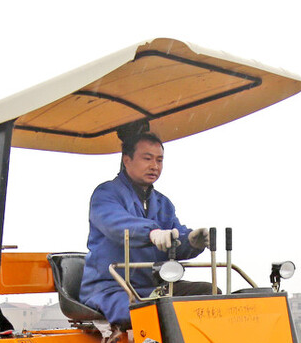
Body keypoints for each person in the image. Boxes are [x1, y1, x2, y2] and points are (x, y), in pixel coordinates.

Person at [79, 129, 209, 331]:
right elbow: (117, 224)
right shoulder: (105, 194)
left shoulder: (163, 203)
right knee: (145, 312)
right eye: (147, 158)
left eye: (159, 160)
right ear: (127, 160)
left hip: (155, 287)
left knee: (209, 294)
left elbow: (174, 238)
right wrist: (151, 233)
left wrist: (192, 241)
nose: (154, 166)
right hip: (111, 287)